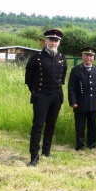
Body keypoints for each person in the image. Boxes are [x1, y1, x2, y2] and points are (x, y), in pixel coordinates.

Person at [25, 29, 67, 166]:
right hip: (41, 95)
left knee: (51, 124)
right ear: (46, 41)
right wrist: (36, 92)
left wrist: (58, 94)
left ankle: (46, 151)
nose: (53, 43)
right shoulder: (37, 58)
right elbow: (29, 79)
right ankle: (34, 156)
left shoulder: (62, 58)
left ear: (59, 42)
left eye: (56, 41)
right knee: (38, 125)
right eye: (51, 40)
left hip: (56, 95)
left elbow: (62, 78)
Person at [68, 47, 96, 150]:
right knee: (80, 126)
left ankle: (92, 145)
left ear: (93, 57)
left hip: (94, 103)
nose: (88, 58)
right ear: (82, 56)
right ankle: (80, 145)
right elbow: (71, 88)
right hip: (80, 103)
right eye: (86, 55)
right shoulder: (76, 70)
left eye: (91, 56)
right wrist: (73, 101)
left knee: (92, 125)